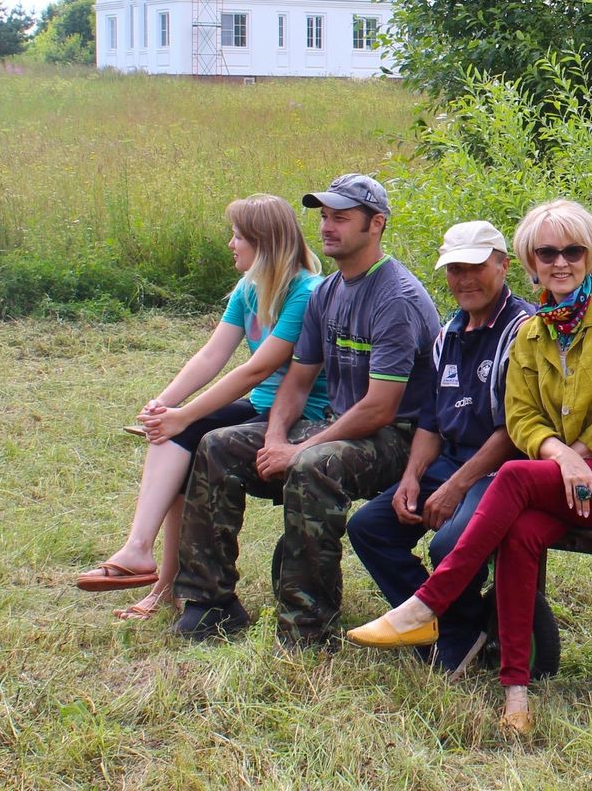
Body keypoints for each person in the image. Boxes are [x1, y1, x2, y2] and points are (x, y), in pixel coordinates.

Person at [347, 200, 592, 735]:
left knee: (514, 476)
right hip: (565, 476)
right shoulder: (533, 332)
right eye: (548, 252)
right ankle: (516, 696)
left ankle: (427, 606)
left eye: (574, 250)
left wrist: (570, 457)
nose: (561, 262)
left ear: (591, 254)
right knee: (519, 533)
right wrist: (560, 455)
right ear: (530, 260)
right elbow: (522, 418)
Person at [171, 174, 440, 643]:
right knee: (217, 446)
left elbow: (380, 408)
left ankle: (306, 624)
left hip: (401, 437)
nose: (327, 227)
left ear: (375, 224)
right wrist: (275, 437)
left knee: (316, 465)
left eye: (341, 218)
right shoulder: (328, 291)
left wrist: (299, 449)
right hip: (339, 425)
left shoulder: (396, 297)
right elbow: (296, 383)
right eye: (323, 217)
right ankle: (211, 603)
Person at [75, 195, 328, 621]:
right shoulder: (248, 288)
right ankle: (149, 564)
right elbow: (211, 356)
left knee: (187, 433)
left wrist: (185, 415)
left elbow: (255, 369)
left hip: (300, 415)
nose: (231, 244)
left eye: (238, 236)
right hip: (260, 405)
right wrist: (165, 403)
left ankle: (154, 570)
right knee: (174, 436)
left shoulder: (307, 292)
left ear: (264, 243)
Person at [347, 221, 534, 674]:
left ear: (503, 265)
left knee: (449, 543)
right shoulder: (447, 333)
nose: (464, 279)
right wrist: (411, 478)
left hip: (502, 469)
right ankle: (455, 626)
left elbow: (515, 431)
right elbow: (430, 421)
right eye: (454, 269)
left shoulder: (524, 331)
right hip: (450, 459)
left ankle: (451, 632)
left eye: (475, 266)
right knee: (369, 527)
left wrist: (454, 487)